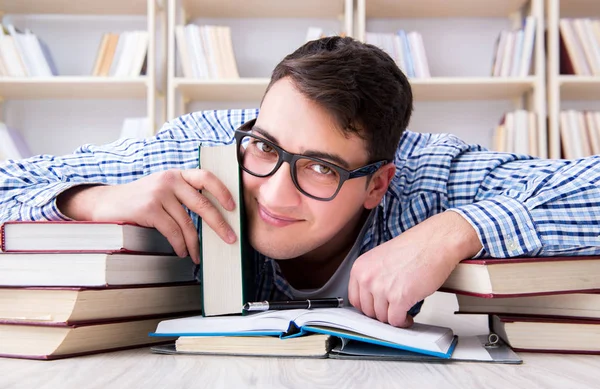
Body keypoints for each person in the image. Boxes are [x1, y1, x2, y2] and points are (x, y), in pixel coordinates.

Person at [1, 37, 599, 328]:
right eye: (265, 146)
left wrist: (457, 228)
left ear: (376, 183)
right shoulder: (204, 152)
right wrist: (88, 200)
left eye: (321, 168)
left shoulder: (430, 175)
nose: (274, 194)